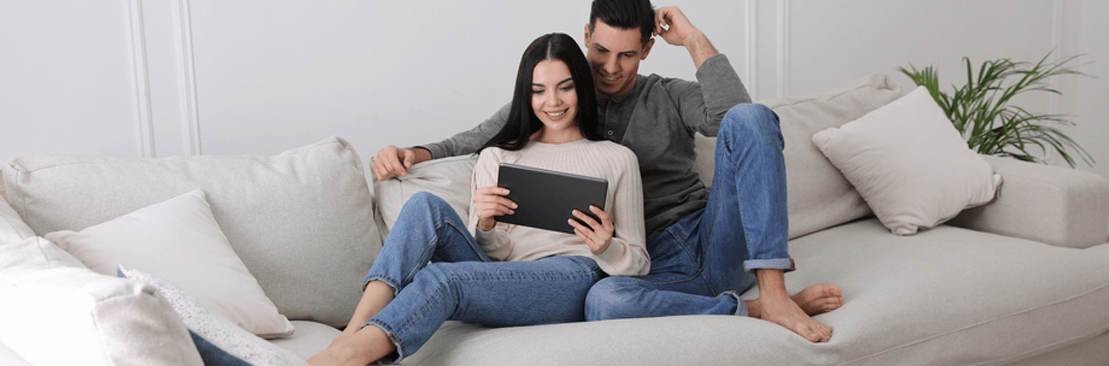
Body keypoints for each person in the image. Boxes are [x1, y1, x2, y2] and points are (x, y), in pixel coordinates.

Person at [371, 0, 843, 343]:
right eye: (601, 52)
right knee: (604, 303)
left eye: (628, 55)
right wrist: (414, 152)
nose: (611, 68)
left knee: (752, 115)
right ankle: (753, 310)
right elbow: (477, 138)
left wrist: (696, 41)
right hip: (644, 266)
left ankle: (774, 292)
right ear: (585, 35)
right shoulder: (559, 97)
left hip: (712, 238)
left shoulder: (669, 93)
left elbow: (734, 120)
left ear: (648, 50)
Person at [308, 33, 647, 366]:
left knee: (442, 278)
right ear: (525, 95)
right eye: (538, 91)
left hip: (571, 276)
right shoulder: (497, 157)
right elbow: (492, 255)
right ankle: (350, 333)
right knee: (423, 206)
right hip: (502, 277)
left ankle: (344, 358)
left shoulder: (616, 158)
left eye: (565, 87)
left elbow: (639, 261)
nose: (553, 102)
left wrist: (606, 247)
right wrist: (485, 225)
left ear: (581, 88)